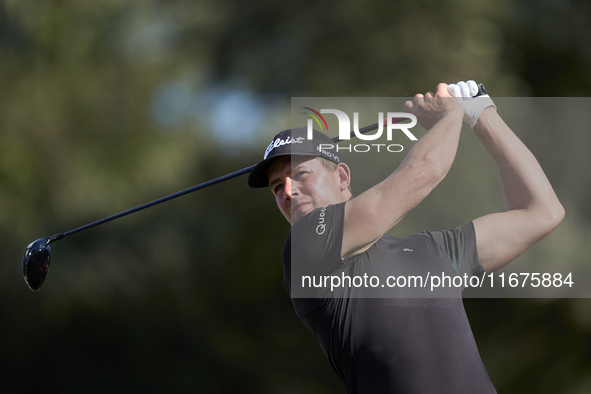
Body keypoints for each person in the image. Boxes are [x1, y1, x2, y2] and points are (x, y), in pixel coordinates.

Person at [247, 81, 564, 393]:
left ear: (341, 176)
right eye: (277, 187)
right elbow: (425, 170)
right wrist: (451, 115)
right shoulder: (305, 248)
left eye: (300, 175)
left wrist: (481, 112)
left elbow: (542, 212)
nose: (287, 192)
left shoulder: (435, 251)